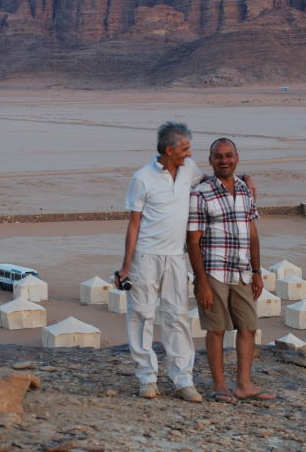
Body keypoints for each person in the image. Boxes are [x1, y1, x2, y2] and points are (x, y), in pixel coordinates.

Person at [117, 122, 205, 402]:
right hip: (145, 257)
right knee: (142, 315)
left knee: (177, 316)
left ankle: (183, 379)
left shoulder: (190, 170)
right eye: (185, 148)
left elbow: (206, 183)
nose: (190, 154)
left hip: (176, 257)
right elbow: (134, 224)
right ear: (169, 150)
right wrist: (126, 265)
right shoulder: (142, 178)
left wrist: (244, 180)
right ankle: (147, 379)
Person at [187, 138, 274, 403]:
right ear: (211, 160)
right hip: (214, 271)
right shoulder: (200, 193)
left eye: (228, 155)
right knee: (216, 329)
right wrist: (201, 282)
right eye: (218, 156)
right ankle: (220, 385)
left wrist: (257, 271)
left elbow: (252, 232)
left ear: (237, 157)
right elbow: (192, 241)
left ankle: (244, 384)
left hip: (242, 270)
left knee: (248, 326)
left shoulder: (245, 190)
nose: (224, 160)